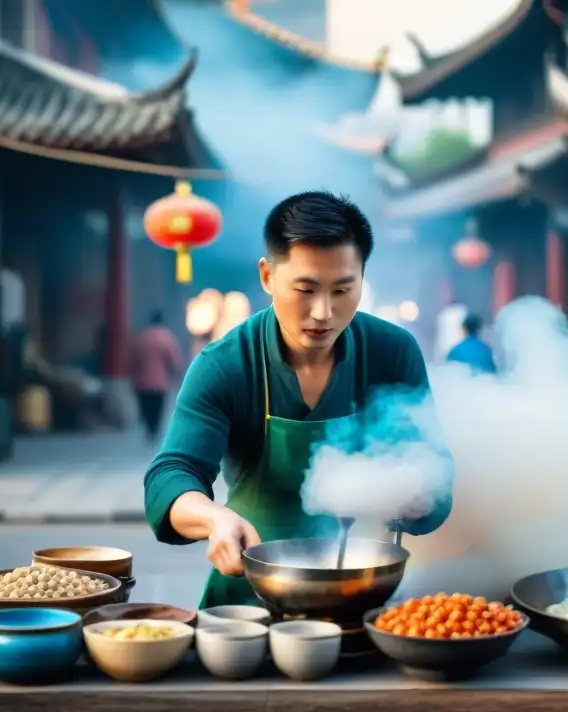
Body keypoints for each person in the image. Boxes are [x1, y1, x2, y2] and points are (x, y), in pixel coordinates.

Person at [143, 191, 453, 609]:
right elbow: (170, 475)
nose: (323, 312)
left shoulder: (392, 352)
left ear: (363, 277)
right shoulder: (225, 364)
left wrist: (422, 494)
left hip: (366, 591)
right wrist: (214, 518)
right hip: (250, 593)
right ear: (268, 276)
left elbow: (434, 467)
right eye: (305, 289)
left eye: (342, 289)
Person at [130, 311, 183, 443]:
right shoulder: (167, 338)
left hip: (142, 381)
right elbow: (174, 361)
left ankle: (148, 428)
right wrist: (176, 375)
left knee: (145, 406)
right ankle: (154, 430)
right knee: (157, 408)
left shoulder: (142, 337)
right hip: (160, 382)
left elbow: (132, 359)